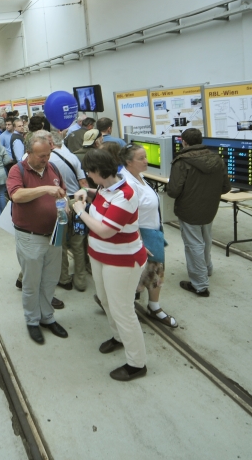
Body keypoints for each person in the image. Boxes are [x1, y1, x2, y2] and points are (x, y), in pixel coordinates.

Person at [72, 149, 148, 382]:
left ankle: (137, 363)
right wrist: (87, 191)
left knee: (123, 311)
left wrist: (80, 211)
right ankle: (118, 337)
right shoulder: (107, 187)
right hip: (100, 256)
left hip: (122, 261)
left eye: (89, 173)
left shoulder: (125, 195)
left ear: (98, 172)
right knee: (105, 301)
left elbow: (105, 230)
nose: (87, 175)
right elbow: (102, 195)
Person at [6, 132, 69, 344]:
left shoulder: (54, 168)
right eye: (42, 156)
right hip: (30, 237)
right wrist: (45, 189)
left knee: (50, 279)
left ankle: (47, 317)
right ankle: (32, 320)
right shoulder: (18, 170)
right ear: (29, 152)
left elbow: (63, 194)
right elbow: (16, 195)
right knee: (32, 282)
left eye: (48, 154)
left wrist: (66, 206)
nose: (46, 159)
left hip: (54, 234)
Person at [166, 128, 231, 297]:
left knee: (193, 244)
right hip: (210, 208)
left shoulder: (181, 162)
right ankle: (207, 268)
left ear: (184, 142)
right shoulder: (217, 159)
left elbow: (173, 191)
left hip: (189, 209)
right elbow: (226, 187)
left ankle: (200, 285)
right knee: (206, 239)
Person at [121, 144, 177, 327]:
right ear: (128, 162)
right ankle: (119, 306)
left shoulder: (140, 177)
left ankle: (154, 306)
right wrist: (138, 242)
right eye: (141, 158)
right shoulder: (129, 184)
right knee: (136, 275)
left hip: (152, 232)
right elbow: (129, 216)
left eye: (145, 157)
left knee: (156, 271)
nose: (146, 161)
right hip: (141, 235)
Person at [50, 130, 89, 292]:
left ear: (51, 143)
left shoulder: (48, 161)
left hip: (60, 203)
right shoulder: (72, 157)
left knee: (61, 244)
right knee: (78, 244)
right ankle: (81, 281)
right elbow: (83, 182)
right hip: (77, 202)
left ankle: (64, 277)